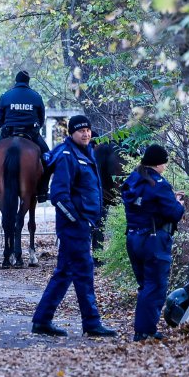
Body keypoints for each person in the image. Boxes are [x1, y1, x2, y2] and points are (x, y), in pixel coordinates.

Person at [31, 115, 116, 338]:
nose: (86, 133)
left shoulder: (87, 153)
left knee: (65, 272)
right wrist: (78, 220)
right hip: (74, 226)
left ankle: (42, 320)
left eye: (88, 129)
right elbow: (59, 195)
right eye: (81, 131)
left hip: (81, 225)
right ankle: (92, 323)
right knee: (84, 272)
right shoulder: (68, 156)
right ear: (71, 134)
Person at [121, 144, 186, 342]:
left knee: (145, 285)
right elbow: (173, 213)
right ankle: (145, 331)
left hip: (133, 238)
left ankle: (143, 329)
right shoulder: (159, 183)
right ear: (159, 163)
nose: (165, 166)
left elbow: (147, 205)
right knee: (155, 286)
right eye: (165, 162)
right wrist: (179, 204)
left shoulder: (133, 179)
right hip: (154, 241)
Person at [0, 70, 51, 202]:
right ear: (28, 81)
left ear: (16, 80)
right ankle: (42, 190)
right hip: (31, 133)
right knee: (48, 158)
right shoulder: (36, 96)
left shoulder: (5, 96)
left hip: (9, 132)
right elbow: (41, 119)